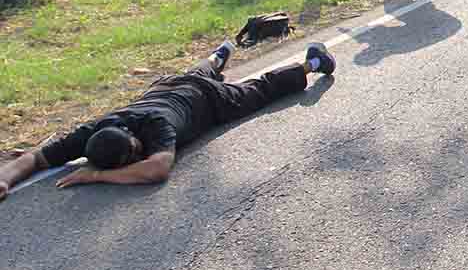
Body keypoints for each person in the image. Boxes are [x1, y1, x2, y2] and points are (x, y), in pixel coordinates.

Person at [0, 41, 336, 200]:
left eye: (134, 155)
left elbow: (157, 169)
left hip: (209, 100)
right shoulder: (95, 129)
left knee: (259, 90)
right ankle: (219, 56)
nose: (138, 157)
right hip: (170, 84)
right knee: (195, 73)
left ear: (133, 145)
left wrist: (98, 176)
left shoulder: (158, 129)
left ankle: (314, 63)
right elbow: (35, 157)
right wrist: (4, 181)